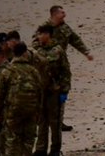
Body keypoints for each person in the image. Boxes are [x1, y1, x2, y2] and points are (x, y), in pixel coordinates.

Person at [42, 5, 93, 134]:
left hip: (61, 65)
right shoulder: (44, 28)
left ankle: (59, 120)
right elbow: (36, 45)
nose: (64, 14)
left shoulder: (65, 27)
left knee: (62, 91)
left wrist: (86, 52)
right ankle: (44, 121)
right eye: (62, 12)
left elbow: (75, 40)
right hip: (47, 66)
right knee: (46, 94)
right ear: (54, 14)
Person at [0, 42, 43, 156]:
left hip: (12, 113)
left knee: (12, 142)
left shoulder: (7, 71)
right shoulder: (33, 71)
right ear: (25, 53)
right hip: (31, 112)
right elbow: (40, 93)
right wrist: (39, 112)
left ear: (13, 53)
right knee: (28, 142)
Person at [32, 24, 67, 156]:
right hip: (39, 91)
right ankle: (41, 149)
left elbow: (65, 71)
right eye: (38, 33)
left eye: (42, 33)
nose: (39, 36)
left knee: (55, 122)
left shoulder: (58, 50)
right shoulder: (34, 50)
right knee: (41, 121)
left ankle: (55, 149)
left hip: (54, 90)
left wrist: (64, 91)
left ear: (48, 35)